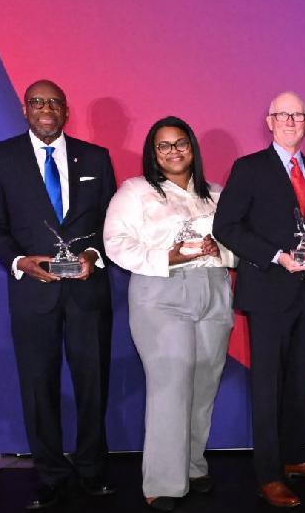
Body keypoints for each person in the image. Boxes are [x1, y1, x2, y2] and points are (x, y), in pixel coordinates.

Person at [0, 79, 117, 510]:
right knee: (38, 387)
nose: (45, 108)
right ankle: (52, 475)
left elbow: (111, 223)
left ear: (66, 110)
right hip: (32, 295)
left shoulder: (96, 158)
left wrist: (93, 256)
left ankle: (93, 471)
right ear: (24, 110)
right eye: (37, 102)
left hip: (87, 290)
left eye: (54, 102)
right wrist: (21, 264)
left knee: (93, 385)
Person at [103, 116, 237, 511]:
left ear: (193, 147)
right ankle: (162, 482)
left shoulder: (216, 194)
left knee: (203, 385)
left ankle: (193, 467)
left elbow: (240, 247)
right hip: (161, 293)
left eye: (181, 143)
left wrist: (221, 252)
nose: (174, 151)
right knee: (170, 385)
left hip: (213, 289)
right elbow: (115, 243)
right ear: (152, 153)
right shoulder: (135, 191)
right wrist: (167, 257)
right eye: (164, 145)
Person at [213, 92, 305, 509]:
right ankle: (268, 474)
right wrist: (276, 255)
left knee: (302, 381)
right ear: (269, 121)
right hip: (267, 292)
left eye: (298, 115)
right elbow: (226, 226)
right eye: (282, 114)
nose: (290, 121)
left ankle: (296, 457)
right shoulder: (249, 169)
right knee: (267, 386)